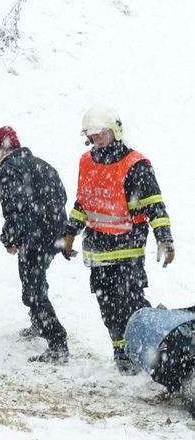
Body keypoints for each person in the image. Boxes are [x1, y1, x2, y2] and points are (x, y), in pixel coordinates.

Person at [61, 104, 175, 375]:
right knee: (108, 309)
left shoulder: (135, 165)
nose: (97, 138)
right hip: (98, 251)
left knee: (132, 305)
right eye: (92, 133)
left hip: (127, 249)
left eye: (102, 132)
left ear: (115, 131)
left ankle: (159, 347)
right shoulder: (86, 162)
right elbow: (83, 201)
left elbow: (155, 206)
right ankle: (122, 355)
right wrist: (70, 232)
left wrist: (165, 239)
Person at [0, 126, 69, 363]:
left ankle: (57, 343)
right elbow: (61, 197)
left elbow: (15, 209)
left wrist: (12, 238)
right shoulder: (42, 164)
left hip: (34, 237)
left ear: (6, 148)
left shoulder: (7, 170)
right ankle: (38, 323)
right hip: (56, 234)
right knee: (37, 277)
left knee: (32, 291)